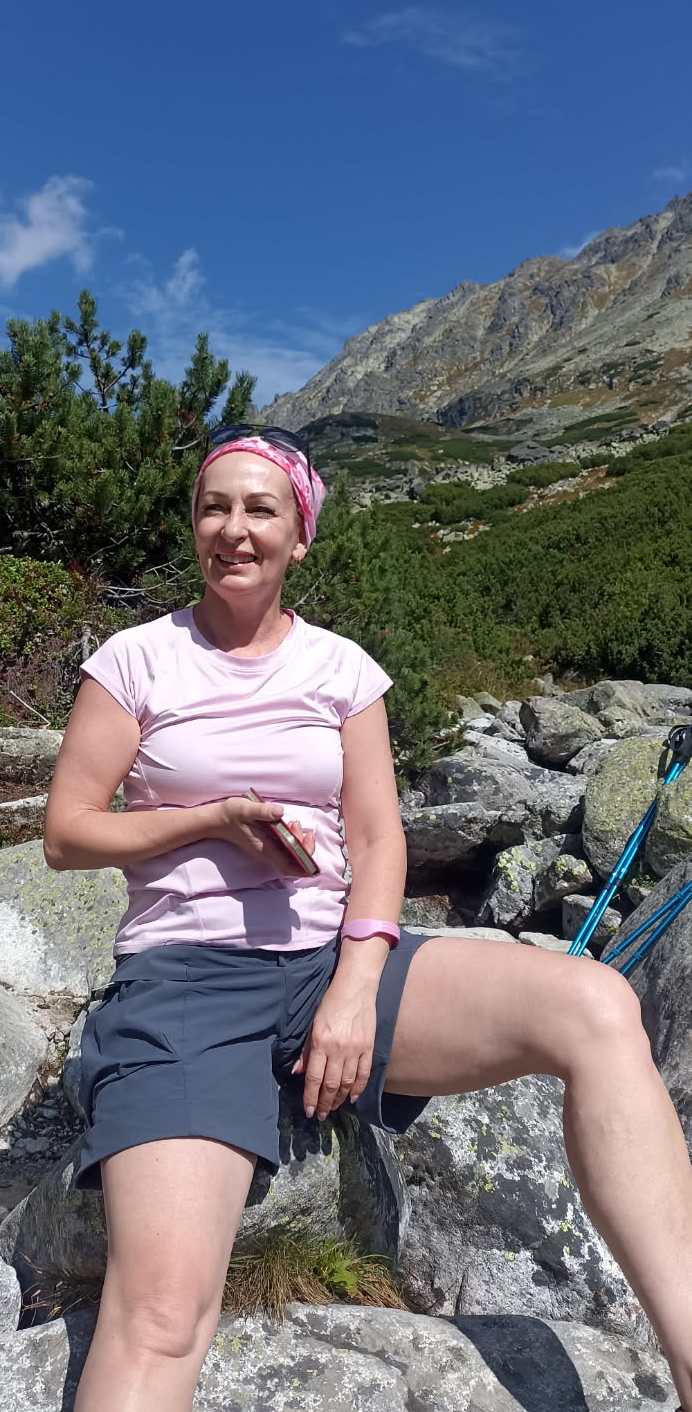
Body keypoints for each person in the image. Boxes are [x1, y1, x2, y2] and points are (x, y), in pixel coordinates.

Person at [44, 426, 692, 1412]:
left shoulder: (342, 668)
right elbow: (68, 832)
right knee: (163, 1315)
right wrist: (206, 821)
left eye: (260, 509)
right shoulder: (136, 661)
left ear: (298, 535)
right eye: (214, 507)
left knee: (596, 1004)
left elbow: (380, 839)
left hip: (329, 959)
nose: (233, 529)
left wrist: (353, 988)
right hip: (185, 979)